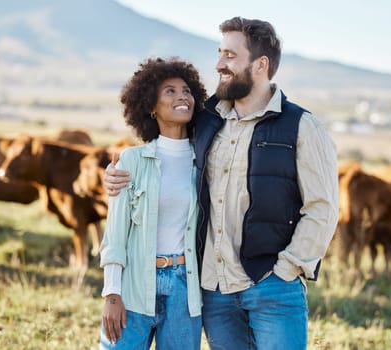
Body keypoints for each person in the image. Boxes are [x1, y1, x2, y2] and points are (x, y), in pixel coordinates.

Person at [104, 17, 339, 350]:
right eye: (219, 54)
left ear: (261, 64)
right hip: (215, 294)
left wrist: (286, 269)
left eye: (230, 56)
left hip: (272, 288)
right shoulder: (207, 119)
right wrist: (114, 178)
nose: (218, 64)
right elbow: (162, 156)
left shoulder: (303, 126)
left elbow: (323, 208)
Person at [99, 57, 207, 350]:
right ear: (150, 105)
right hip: (134, 286)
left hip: (185, 290)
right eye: (169, 91)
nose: (182, 96)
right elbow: (116, 234)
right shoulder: (132, 160)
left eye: (186, 90)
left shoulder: (205, 161)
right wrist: (112, 294)